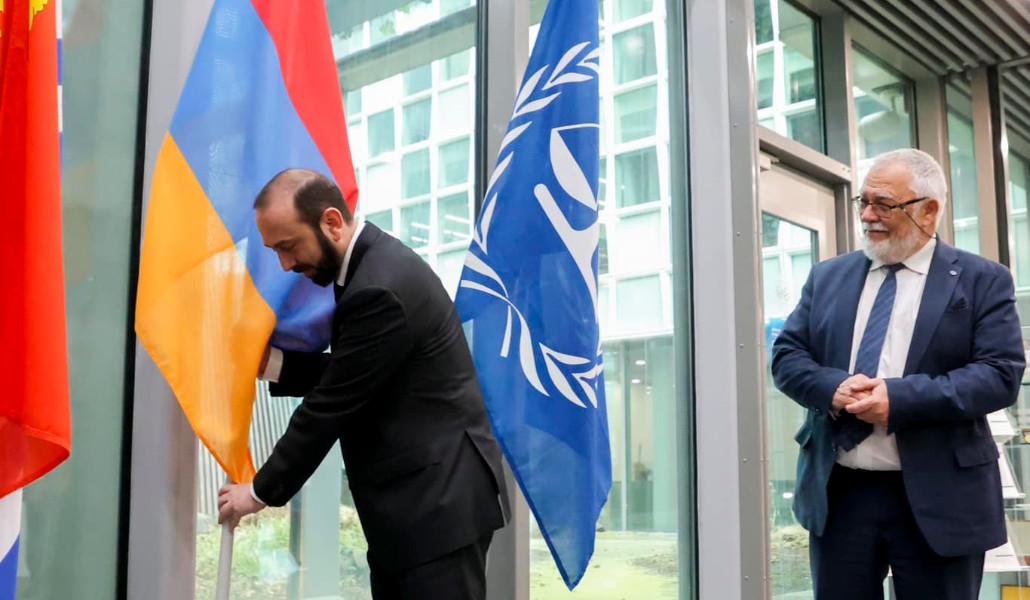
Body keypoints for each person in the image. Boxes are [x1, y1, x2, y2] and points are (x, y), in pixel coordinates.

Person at [217, 168, 509, 600]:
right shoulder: (372, 269)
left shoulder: (378, 288)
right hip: (418, 508)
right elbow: (360, 373)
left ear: (332, 222)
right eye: (275, 251)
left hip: (435, 509)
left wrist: (258, 492)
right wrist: (274, 364)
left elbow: (329, 407)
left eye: (289, 246)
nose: (286, 265)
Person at [771, 148, 1025, 599]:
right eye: (864, 202)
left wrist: (898, 399)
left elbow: (998, 374)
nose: (868, 216)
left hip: (940, 496)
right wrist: (832, 388)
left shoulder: (982, 280)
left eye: (884, 204)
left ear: (929, 210)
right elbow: (788, 356)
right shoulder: (828, 277)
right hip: (841, 493)